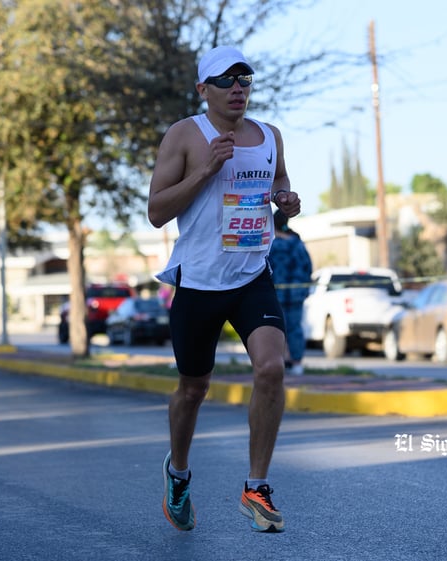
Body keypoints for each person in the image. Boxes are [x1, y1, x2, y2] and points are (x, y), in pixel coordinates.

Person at [148, 45, 301, 533]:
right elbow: (156, 212)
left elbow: (278, 182)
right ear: (203, 89)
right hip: (198, 280)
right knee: (194, 389)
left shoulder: (270, 136)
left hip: (252, 274)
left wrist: (285, 203)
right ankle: (178, 473)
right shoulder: (185, 135)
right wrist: (205, 170)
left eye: (245, 79)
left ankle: (256, 486)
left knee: (272, 368)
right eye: (226, 80)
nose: (238, 88)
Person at [268, 210, 313, 376]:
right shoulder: (298, 244)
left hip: (274, 294)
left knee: (276, 329)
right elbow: (307, 268)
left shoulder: (271, 246)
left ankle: (282, 360)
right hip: (296, 294)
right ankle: (297, 363)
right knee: (295, 328)